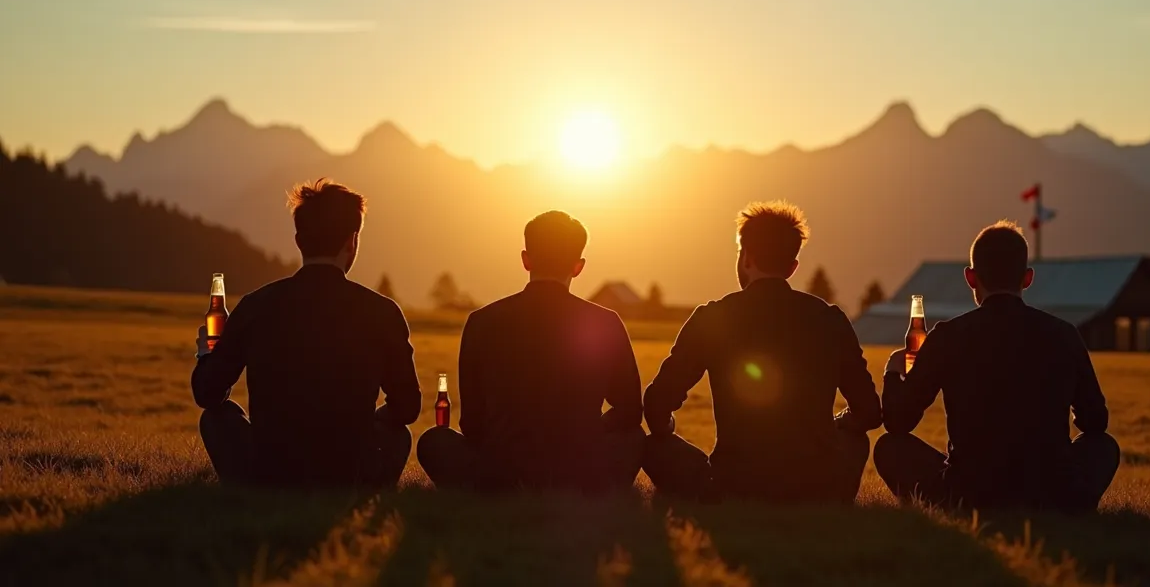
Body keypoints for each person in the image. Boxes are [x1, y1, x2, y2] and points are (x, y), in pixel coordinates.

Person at [642, 201, 882, 503]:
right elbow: (869, 413)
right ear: (792, 267)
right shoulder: (830, 319)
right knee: (856, 440)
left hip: (734, 483)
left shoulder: (713, 317)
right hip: (816, 486)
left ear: (746, 258)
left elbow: (655, 404)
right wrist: (837, 424)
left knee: (652, 447)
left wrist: (667, 427)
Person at [874, 221, 1120, 512]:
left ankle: (950, 504)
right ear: (1027, 278)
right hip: (1050, 490)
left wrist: (893, 370)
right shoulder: (1063, 334)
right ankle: (1071, 504)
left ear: (970, 277)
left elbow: (898, 422)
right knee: (1104, 446)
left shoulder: (948, 336)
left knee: (889, 448)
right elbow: (1096, 422)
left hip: (969, 492)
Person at [191, 179, 421, 489]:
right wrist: (370, 423)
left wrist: (209, 354)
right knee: (397, 433)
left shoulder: (256, 306)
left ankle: (250, 488)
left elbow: (208, 395)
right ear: (352, 241)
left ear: (299, 240)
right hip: (350, 473)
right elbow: (407, 408)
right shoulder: (382, 312)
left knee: (217, 418)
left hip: (270, 473)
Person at [416, 211, 644, 493]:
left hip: (501, 467)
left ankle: (492, 488)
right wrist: (586, 434)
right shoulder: (604, 322)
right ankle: (585, 488)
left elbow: (472, 422)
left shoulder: (482, 321)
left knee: (433, 442)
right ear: (578, 266)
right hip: (580, 465)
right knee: (634, 437)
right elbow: (630, 412)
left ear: (526, 259)